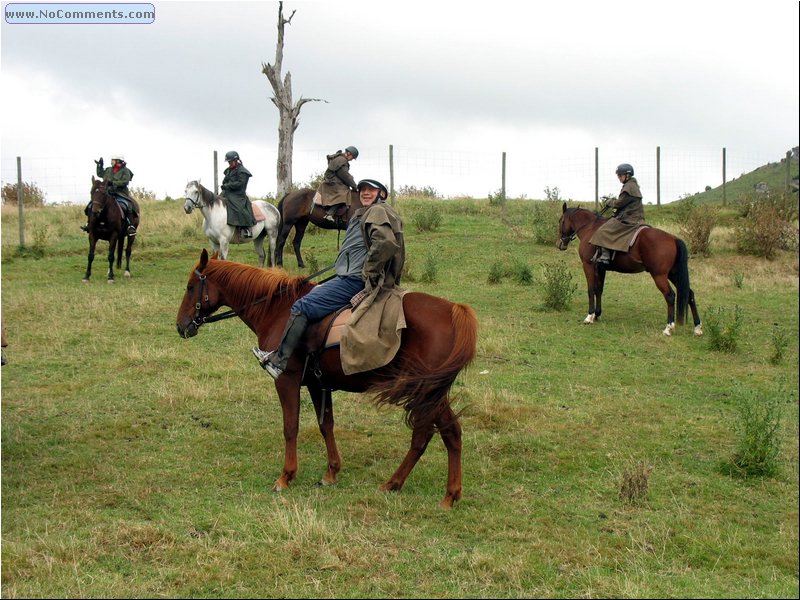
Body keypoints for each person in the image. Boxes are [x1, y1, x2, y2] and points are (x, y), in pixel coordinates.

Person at [252, 178, 404, 380]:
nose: (365, 193)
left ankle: (279, 361)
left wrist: (369, 272)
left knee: (302, 306)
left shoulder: (377, 211)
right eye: (363, 190)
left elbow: (384, 243)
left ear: (382, 194)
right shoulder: (366, 213)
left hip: (353, 281)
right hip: (348, 275)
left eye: (371, 190)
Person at [589, 163, 645, 265]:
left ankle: (605, 256)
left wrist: (609, 202)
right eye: (618, 176)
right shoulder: (632, 186)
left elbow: (619, 204)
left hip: (629, 219)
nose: (619, 178)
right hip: (634, 217)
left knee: (603, 230)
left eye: (620, 175)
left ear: (627, 175)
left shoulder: (629, 187)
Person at [81, 154, 140, 235]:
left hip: (120, 193)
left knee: (128, 206)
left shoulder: (125, 171)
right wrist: (99, 165)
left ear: (118, 161)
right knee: (92, 204)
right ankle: (89, 223)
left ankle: (130, 226)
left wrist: (113, 183)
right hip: (107, 193)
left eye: (113, 160)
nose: (111, 161)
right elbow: (100, 174)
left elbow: (125, 181)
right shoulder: (109, 170)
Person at [315, 146, 359, 222]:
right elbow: (345, 175)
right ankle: (330, 213)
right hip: (332, 181)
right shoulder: (342, 160)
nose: (352, 159)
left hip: (333, 179)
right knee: (344, 192)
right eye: (352, 157)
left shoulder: (339, 158)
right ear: (349, 153)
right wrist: (354, 186)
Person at [220, 150, 257, 239]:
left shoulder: (243, 171)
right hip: (227, 192)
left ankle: (247, 228)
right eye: (228, 162)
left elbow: (240, 184)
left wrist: (228, 185)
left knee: (239, 209)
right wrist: (224, 184)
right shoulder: (228, 170)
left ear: (236, 160)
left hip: (238, 194)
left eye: (230, 161)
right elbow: (225, 180)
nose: (229, 163)